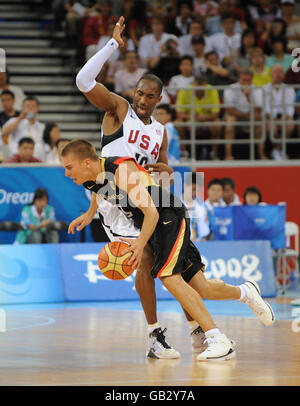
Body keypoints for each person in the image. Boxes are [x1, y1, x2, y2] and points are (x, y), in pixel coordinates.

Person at [73, 17, 275, 359]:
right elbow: (83, 80)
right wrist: (112, 45)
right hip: (116, 202)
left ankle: (193, 331)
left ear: (159, 100)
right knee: (157, 266)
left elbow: (160, 175)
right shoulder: (119, 110)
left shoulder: (161, 132)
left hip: (149, 205)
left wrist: (167, 169)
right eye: (138, 92)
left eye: (149, 96)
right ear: (133, 91)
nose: (141, 100)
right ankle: (169, 333)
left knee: (169, 270)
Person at [61, 139, 275, 360]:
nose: (66, 174)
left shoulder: (121, 172)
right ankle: (246, 293)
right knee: (202, 287)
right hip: (154, 226)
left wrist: (140, 243)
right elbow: (99, 191)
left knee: (168, 277)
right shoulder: (90, 179)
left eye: (69, 167)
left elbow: (152, 212)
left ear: (86, 162)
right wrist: (89, 214)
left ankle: (217, 339)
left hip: (167, 216)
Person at [176, 74, 221, 160]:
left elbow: (216, 114)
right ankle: (184, 153)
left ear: (205, 85)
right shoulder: (184, 91)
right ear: (193, 85)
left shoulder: (212, 90)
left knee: (217, 124)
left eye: (202, 87)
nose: (199, 90)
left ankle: (213, 153)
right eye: (197, 86)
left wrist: (206, 117)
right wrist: (191, 116)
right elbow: (179, 114)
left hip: (207, 119)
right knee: (178, 123)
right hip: (190, 119)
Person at [223, 69, 266, 160]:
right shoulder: (231, 88)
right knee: (231, 120)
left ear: (252, 80)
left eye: (248, 80)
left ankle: (261, 154)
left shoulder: (257, 90)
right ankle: (228, 155)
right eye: (243, 80)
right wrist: (246, 116)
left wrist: (248, 96)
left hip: (252, 116)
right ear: (239, 79)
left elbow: (258, 111)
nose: (246, 83)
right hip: (237, 116)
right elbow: (230, 110)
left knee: (259, 121)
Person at [261, 64, 296, 160]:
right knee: (272, 128)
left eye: (280, 72)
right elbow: (265, 108)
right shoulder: (264, 89)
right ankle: (274, 150)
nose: (278, 74)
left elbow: (290, 108)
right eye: (275, 72)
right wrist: (274, 119)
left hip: (285, 118)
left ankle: (277, 149)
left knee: (290, 125)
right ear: (271, 74)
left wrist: (284, 118)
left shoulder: (289, 89)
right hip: (269, 118)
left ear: (284, 75)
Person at [1, 96, 46, 161]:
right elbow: (4, 133)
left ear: (37, 109)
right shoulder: (14, 121)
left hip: (37, 162)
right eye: (27, 106)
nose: (30, 108)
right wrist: (19, 118)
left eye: (33, 106)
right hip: (18, 161)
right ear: (22, 108)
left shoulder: (42, 126)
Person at [182, 172, 210, 241]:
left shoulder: (202, 207)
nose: (195, 193)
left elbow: (204, 233)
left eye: (197, 190)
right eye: (193, 189)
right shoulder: (173, 205)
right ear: (184, 185)